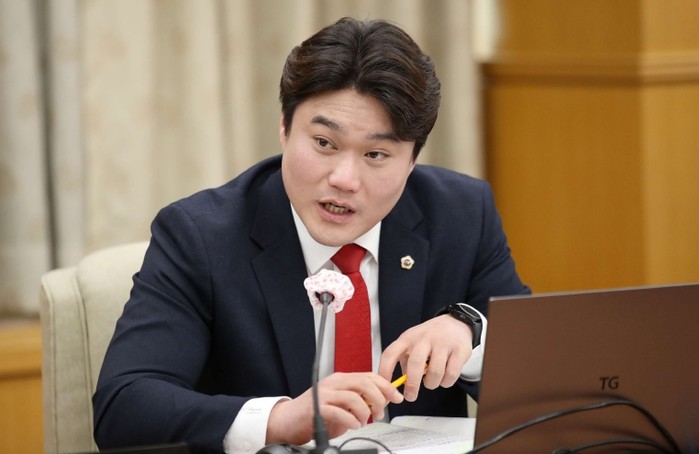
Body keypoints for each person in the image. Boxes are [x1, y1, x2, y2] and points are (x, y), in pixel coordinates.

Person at [93, 17, 529, 454]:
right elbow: (124, 407)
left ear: (412, 160)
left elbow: (549, 380)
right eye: (324, 143)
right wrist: (280, 420)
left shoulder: (460, 216)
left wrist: (472, 336)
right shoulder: (201, 236)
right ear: (285, 128)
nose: (344, 179)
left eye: (376, 154)